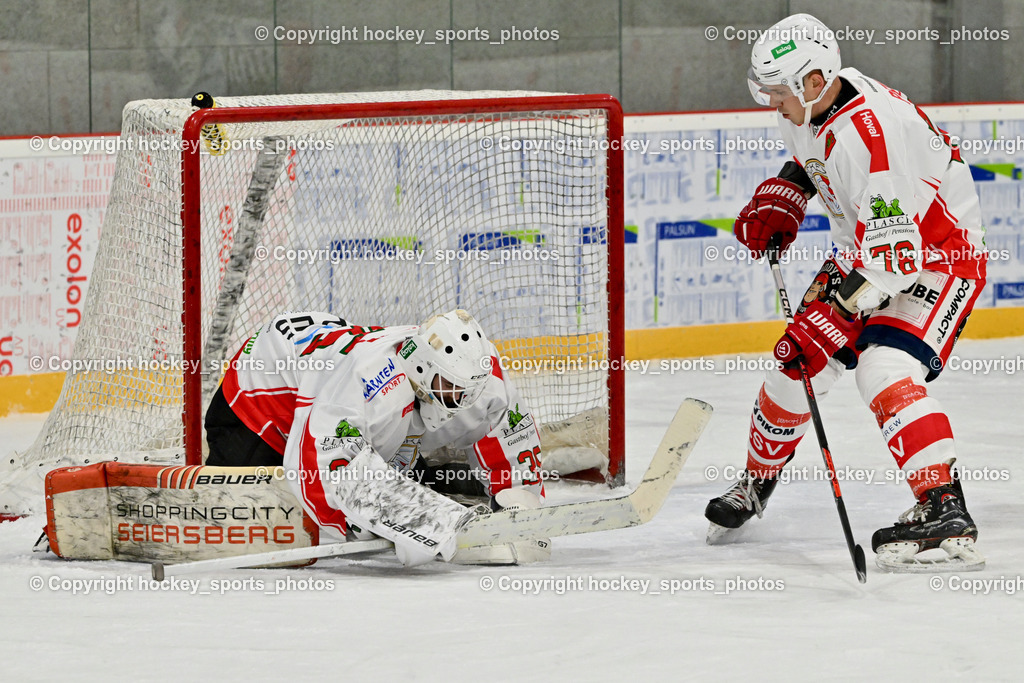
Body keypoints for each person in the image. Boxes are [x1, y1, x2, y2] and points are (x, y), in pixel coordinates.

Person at [705, 13, 987, 570]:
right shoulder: (815, 101)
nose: (771, 103)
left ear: (813, 81)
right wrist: (790, 187)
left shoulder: (870, 139)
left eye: (778, 91)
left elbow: (895, 262)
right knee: (794, 366)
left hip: (937, 257)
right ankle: (757, 482)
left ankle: (944, 509)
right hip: (870, 251)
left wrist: (833, 316)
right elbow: (816, 154)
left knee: (883, 367)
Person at [205, 309, 548, 566]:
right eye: (452, 387)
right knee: (249, 512)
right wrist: (430, 525)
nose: (464, 398)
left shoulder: (476, 373)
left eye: (468, 388)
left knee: (396, 465)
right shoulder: (367, 382)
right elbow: (315, 469)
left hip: (330, 371)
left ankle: (421, 484)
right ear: (423, 368)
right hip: (258, 397)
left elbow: (509, 427)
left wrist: (520, 497)